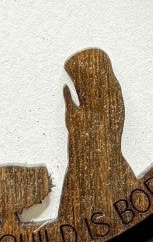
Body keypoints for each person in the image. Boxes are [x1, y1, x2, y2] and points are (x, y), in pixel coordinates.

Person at [58, 47, 140, 227]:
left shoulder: (108, 107)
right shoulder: (92, 114)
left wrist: (79, 126)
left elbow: (108, 138)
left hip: (102, 178)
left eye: (80, 81)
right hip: (87, 180)